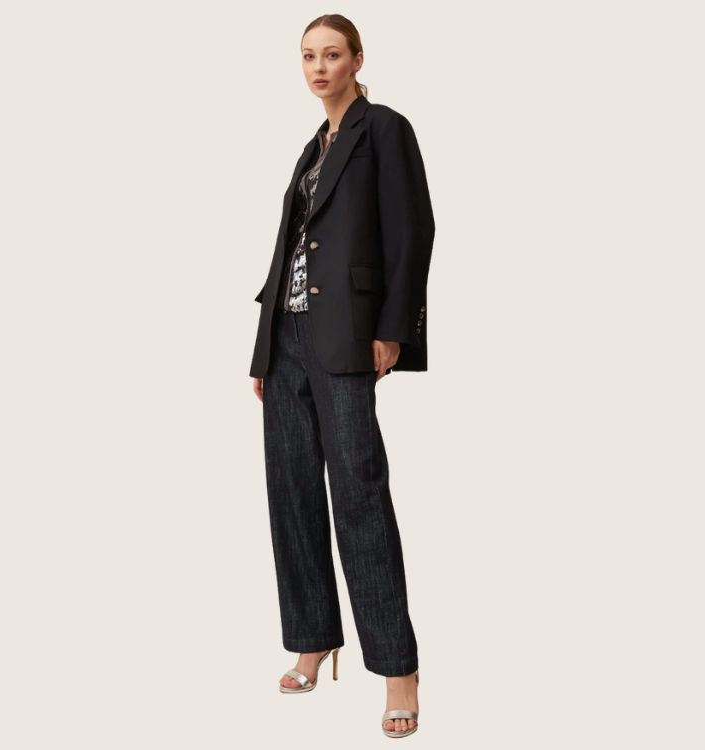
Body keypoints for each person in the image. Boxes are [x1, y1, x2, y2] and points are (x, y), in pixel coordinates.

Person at [249, 14, 435, 739]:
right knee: (292, 496)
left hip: (347, 335)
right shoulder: (312, 148)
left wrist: (393, 328)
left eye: (331, 54)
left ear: (357, 59)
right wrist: (264, 353)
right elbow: (289, 250)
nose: (318, 67)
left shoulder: (383, 129)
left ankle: (398, 671)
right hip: (288, 337)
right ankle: (312, 638)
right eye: (308, 56)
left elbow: (413, 231)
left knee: (360, 497)